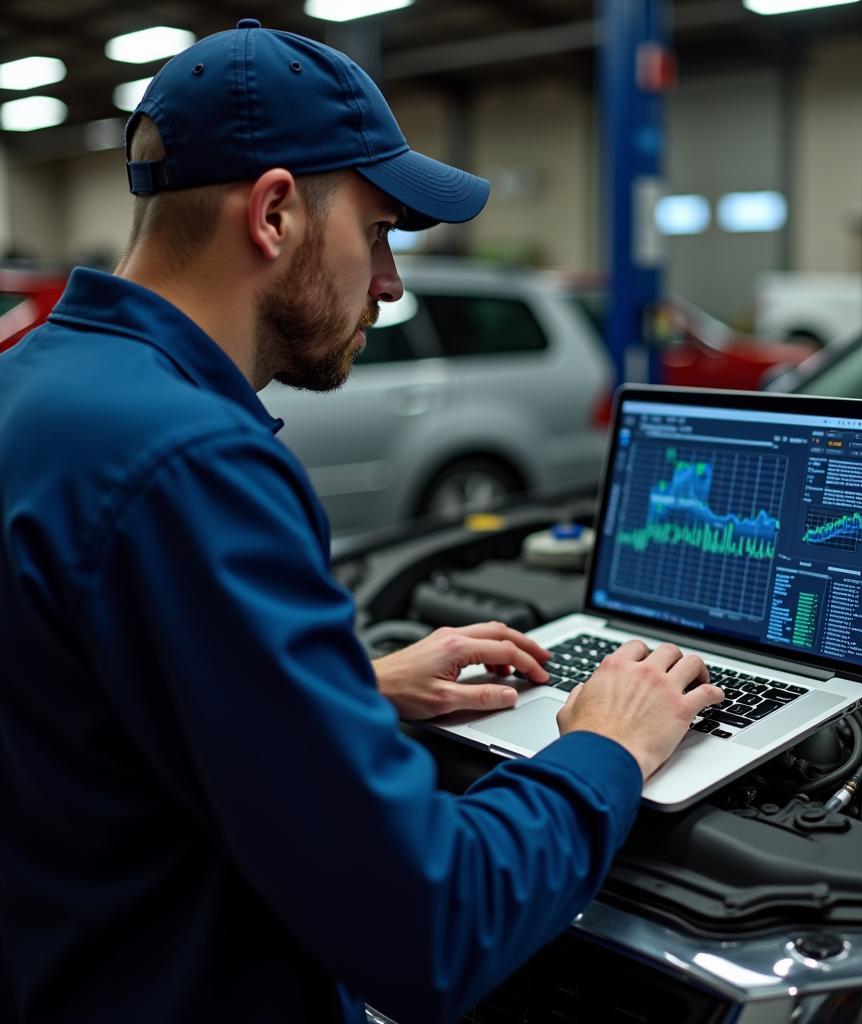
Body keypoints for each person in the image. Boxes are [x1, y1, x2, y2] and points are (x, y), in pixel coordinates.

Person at [0, 20, 723, 1024]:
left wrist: (349, 692)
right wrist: (604, 745)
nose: (388, 284)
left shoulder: (34, 384)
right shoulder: (194, 462)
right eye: (379, 232)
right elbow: (430, 927)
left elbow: (71, 709)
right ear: (276, 212)